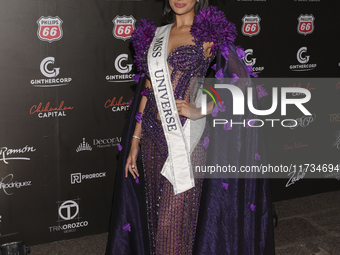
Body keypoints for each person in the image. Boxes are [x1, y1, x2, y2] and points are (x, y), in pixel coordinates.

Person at [106, 1, 275, 254]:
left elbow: (241, 82)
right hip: (152, 139)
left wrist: (199, 110)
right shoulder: (155, 35)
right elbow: (149, 89)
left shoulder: (209, 32)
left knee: (172, 226)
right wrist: (135, 139)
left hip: (187, 139)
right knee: (154, 222)